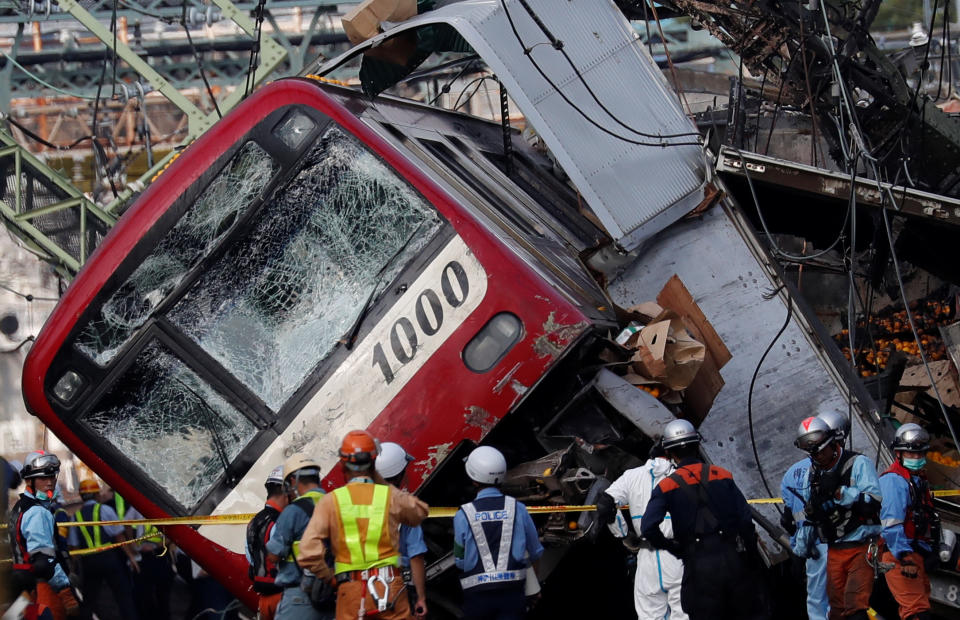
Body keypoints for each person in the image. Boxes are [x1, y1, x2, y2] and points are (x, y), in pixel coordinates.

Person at [640, 419, 768, 620]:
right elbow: (745, 520)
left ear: (670, 453)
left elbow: (648, 528)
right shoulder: (722, 475)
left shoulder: (666, 487)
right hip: (732, 559)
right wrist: (751, 555)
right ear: (697, 445)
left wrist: (675, 549)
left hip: (698, 567)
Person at [298, 430, 429, 620]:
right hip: (389, 585)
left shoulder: (329, 502)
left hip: (349, 590)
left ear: (343, 464)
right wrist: (380, 480)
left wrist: (331, 579)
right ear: (374, 462)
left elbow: (307, 553)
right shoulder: (389, 496)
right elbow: (420, 512)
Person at [792, 416, 882, 620]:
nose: (818, 457)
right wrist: (800, 551)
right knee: (837, 610)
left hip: (861, 546)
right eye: (812, 453)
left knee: (855, 606)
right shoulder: (813, 474)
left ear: (833, 443)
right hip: (834, 549)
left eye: (821, 451)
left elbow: (873, 502)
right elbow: (810, 516)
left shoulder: (858, 463)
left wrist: (845, 495)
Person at [450, 445, 543, 620]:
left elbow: (460, 560)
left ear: (474, 480)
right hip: (513, 595)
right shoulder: (518, 509)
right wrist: (532, 588)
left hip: (476, 597)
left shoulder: (463, 515)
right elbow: (535, 552)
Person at [596, 445, 687, 620]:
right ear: (670, 454)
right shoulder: (681, 474)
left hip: (647, 555)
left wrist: (624, 535)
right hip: (677, 553)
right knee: (684, 613)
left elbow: (605, 505)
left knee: (649, 615)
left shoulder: (631, 476)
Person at [780, 413, 847, 620]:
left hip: (812, 550)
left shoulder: (792, 473)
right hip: (842, 546)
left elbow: (788, 520)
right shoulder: (846, 467)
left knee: (818, 606)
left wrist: (799, 552)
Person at [9, 451, 80, 620]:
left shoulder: (19, 507)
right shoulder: (38, 512)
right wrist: (65, 592)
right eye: (42, 478)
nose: (49, 482)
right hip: (45, 589)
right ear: (29, 480)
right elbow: (43, 562)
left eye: (52, 477)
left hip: (25, 590)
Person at [879, 423, 939, 620]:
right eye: (911, 455)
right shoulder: (894, 481)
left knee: (920, 608)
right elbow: (891, 524)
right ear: (899, 454)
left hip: (916, 550)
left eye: (920, 454)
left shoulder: (917, 480)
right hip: (900, 555)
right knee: (917, 613)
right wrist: (904, 558)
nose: (917, 458)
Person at [265, 453, 331, 620]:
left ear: (293, 481)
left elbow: (273, 555)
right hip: (334, 592)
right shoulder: (336, 503)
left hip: (301, 597)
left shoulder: (293, 511)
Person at [69, 478, 140, 620]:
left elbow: (74, 547)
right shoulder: (105, 510)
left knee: (89, 601)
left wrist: (74, 569)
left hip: (89, 562)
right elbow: (120, 538)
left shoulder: (75, 517)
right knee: (123, 597)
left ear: (82, 497)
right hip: (109, 559)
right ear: (96, 494)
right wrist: (132, 558)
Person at [375, 442, 428, 618]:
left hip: (366, 587)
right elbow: (416, 556)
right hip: (398, 584)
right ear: (399, 475)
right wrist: (421, 597)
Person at [105, 487, 173, 620]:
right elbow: (127, 523)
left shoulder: (155, 507)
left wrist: (134, 544)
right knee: (151, 595)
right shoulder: (143, 507)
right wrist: (134, 544)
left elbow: (174, 530)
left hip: (159, 554)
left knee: (160, 595)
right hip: (150, 555)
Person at [247, 465, 289, 620]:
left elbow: (251, 559)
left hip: (265, 603)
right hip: (285, 600)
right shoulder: (283, 522)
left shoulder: (253, 522)